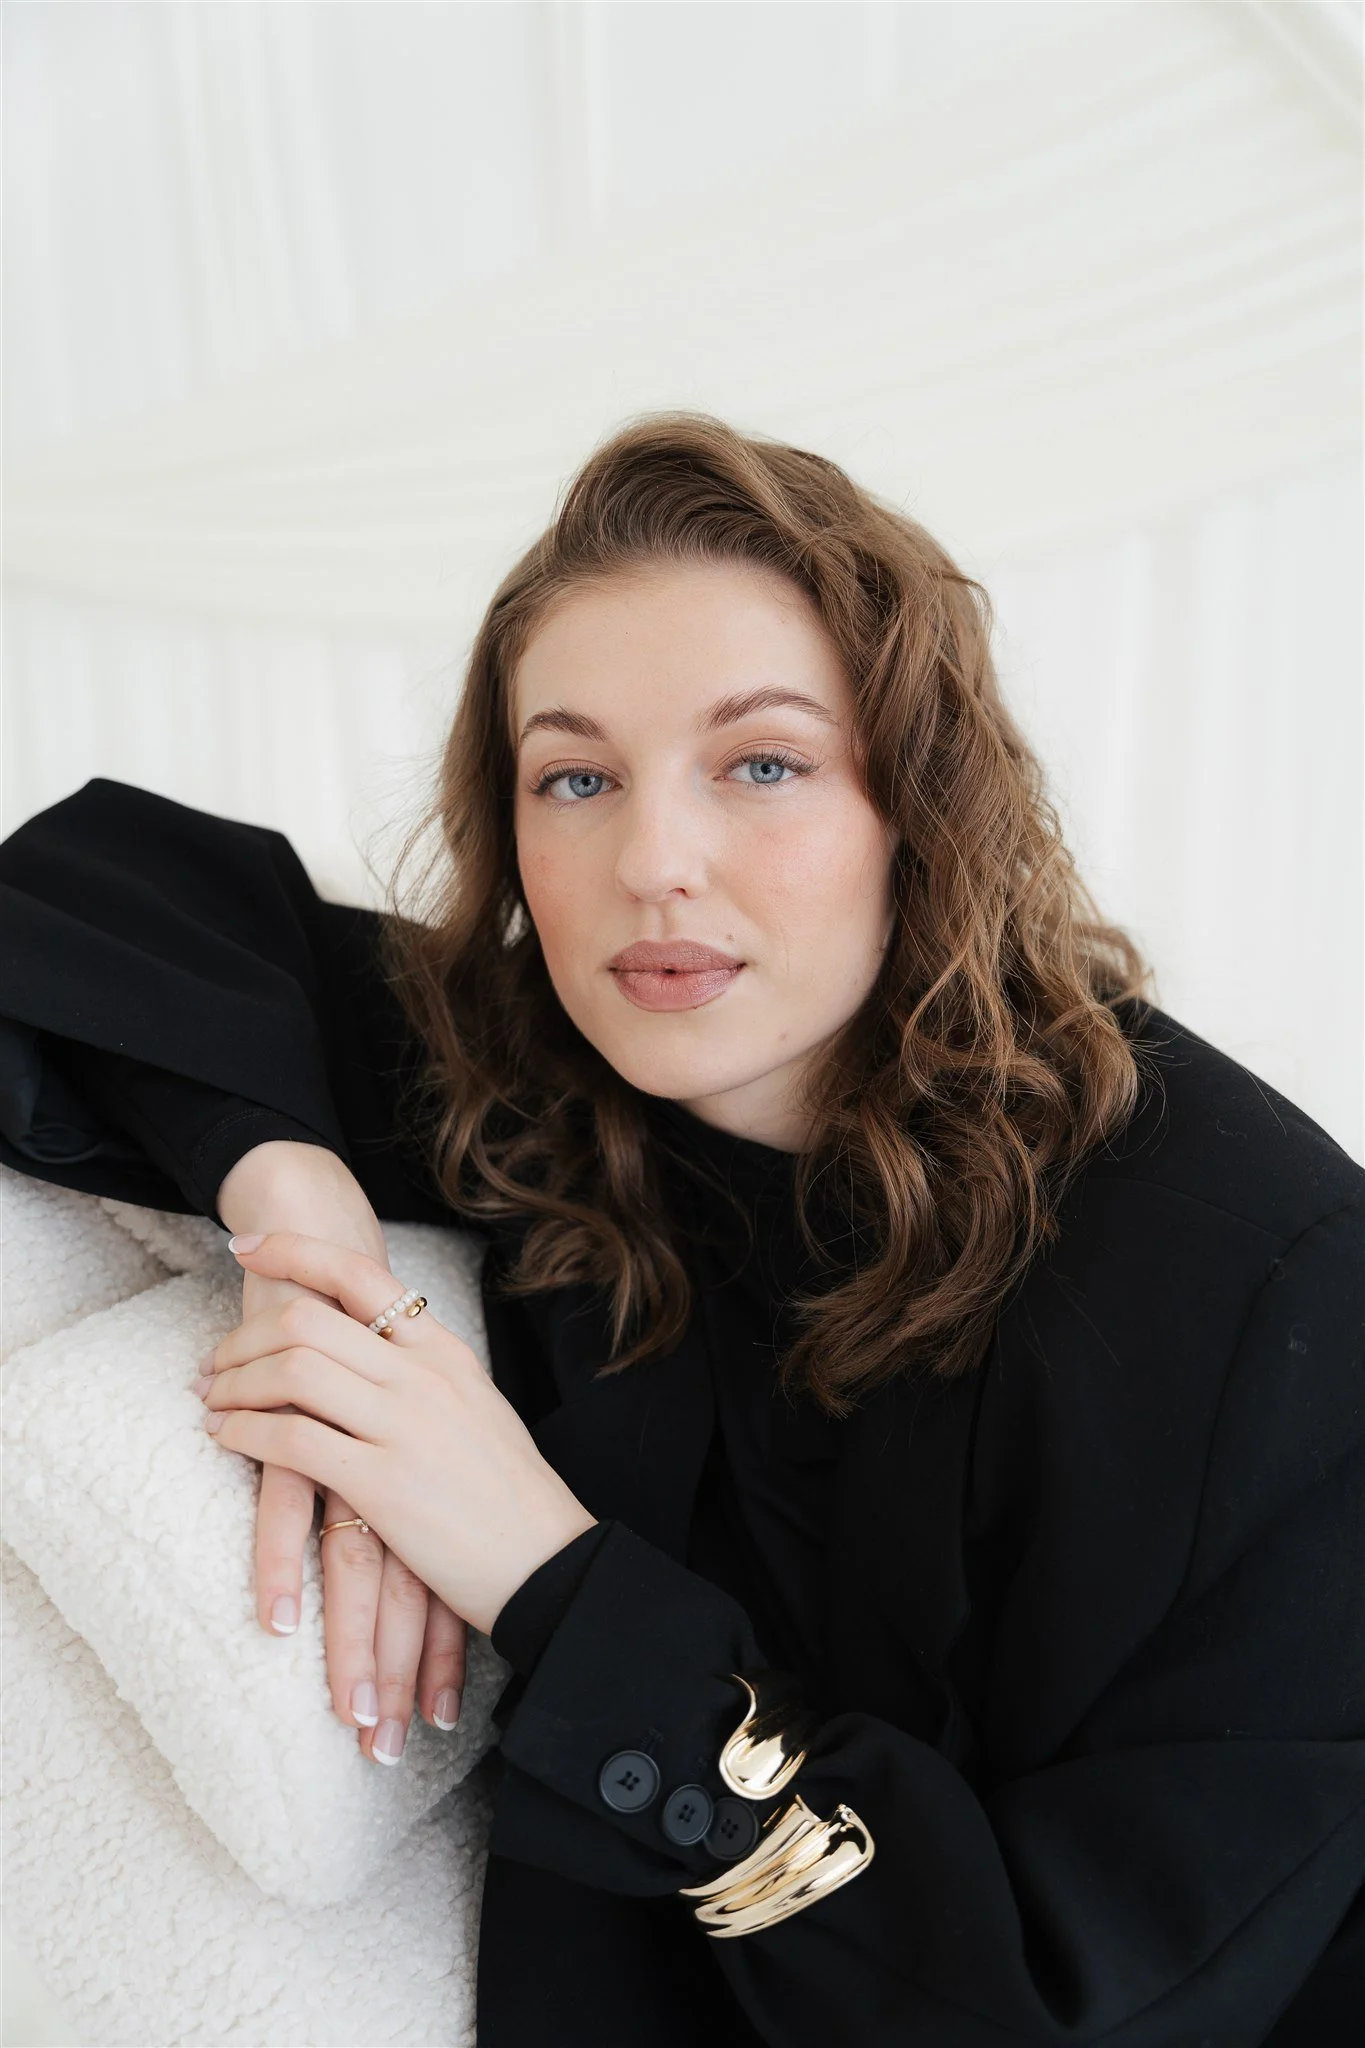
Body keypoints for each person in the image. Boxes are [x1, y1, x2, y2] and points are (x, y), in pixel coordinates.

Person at [1, 413, 1361, 2048]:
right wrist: (299, 1201)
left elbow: (1045, 2009)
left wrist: (539, 1572)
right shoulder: (553, 1075)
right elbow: (79, 901)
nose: (651, 864)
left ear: (915, 805)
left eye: (761, 764)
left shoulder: (1264, 1287)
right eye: (575, 777)